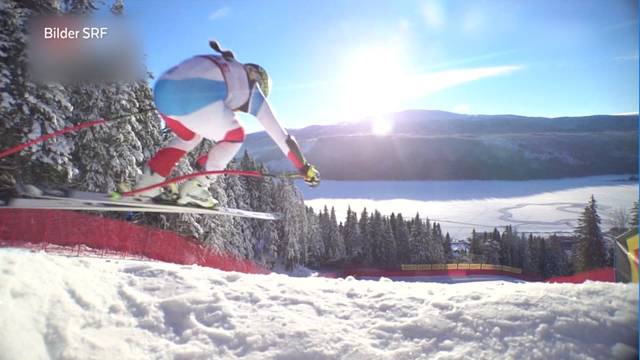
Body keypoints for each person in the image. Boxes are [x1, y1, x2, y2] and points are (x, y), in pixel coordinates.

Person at [135, 41, 320, 208]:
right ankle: (198, 185)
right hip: (194, 97)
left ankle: (149, 183)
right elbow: (282, 138)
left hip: (163, 90)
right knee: (236, 135)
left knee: (189, 137)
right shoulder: (252, 89)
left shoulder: (229, 65)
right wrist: (304, 168)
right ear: (258, 80)